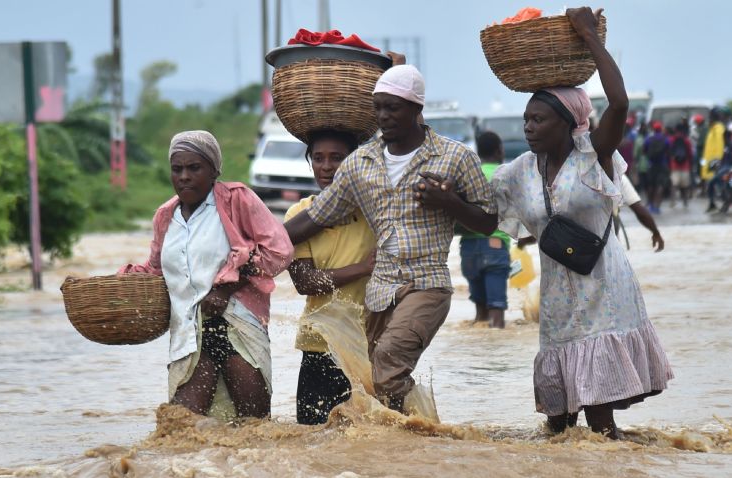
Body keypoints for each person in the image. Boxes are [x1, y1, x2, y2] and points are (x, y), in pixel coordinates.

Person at [492, 7, 673, 439]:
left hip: (603, 286)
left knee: (598, 424)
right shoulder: (519, 170)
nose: (529, 127)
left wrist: (589, 35)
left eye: (539, 120)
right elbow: (486, 222)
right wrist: (444, 199)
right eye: (527, 119)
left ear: (569, 123)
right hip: (558, 294)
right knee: (557, 425)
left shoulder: (594, 155)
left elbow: (621, 103)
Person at [284, 64, 497, 412]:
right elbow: (317, 216)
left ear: (417, 108)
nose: (383, 116)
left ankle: (415, 434)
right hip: (380, 291)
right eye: (378, 107)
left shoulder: (455, 157)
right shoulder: (359, 164)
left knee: (387, 363)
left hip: (426, 282)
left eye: (393, 107)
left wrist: (449, 202)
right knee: (378, 382)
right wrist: (261, 240)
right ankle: (412, 437)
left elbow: (489, 221)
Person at [119, 131, 293, 418]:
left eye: (194, 168)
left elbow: (280, 250)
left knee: (254, 428)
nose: (184, 176)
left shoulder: (237, 201)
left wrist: (226, 287)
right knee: (183, 428)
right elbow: (156, 270)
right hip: (188, 332)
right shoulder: (166, 216)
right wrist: (120, 281)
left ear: (214, 170)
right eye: (177, 169)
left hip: (238, 327)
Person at [284, 130, 376, 425]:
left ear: (354, 162)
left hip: (369, 344)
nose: (326, 166)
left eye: (337, 158)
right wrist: (364, 267)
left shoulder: (373, 210)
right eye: (318, 158)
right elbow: (305, 282)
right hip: (318, 346)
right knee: (313, 440)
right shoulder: (300, 214)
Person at [459, 131, 511, 329]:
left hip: (468, 247)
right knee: (496, 306)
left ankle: (480, 354)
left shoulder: (470, 175)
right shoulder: (504, 174)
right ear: (499, 151)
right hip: (495, 245)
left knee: (480, 310)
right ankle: (494, 349)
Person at [619, 174, 665, 251]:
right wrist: (656, 233)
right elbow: (641, 212)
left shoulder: (619, 177)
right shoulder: (619, 177)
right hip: (604, 246)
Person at [643, 121, 670, 213]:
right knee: (660, 186)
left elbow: (644, 150)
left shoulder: (648, 139)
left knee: (651, 185)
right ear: (660, 129)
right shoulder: (665, 139)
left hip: (651, 165)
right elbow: (668, 151)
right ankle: (657, 207)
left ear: (653, 129)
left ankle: (650, 205)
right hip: (662, 165)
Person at [702, 109, 726, 208]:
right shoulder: (712, 130)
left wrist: (717, 162)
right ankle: (713, 204)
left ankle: (724, 202)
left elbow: (720, 146)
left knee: (717, 184)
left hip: (715, 163)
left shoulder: (718, 129)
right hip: (709, 163)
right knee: (713, 185)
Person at [668, 122, 694, 208]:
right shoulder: (686, 140)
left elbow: (669, 152)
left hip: (674, 165)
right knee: (685, 185)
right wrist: (690, 164)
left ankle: (672, 202)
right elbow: (690, 153)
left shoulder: (672, 139)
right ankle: (685, 202)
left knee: (674, 185)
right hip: (685, 165)